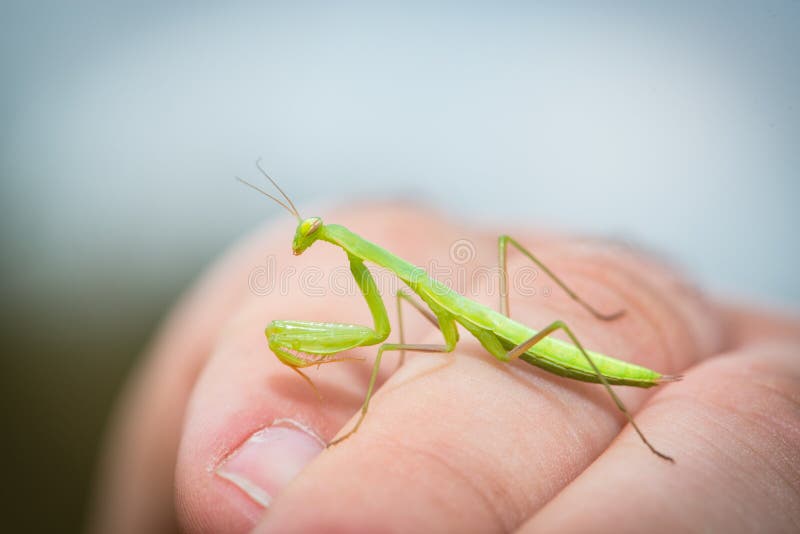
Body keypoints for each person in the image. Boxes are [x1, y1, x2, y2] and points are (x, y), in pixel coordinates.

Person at [90, 204, 800, 533]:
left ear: (331, 237)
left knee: (546, 322)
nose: (309, 241)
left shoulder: (405, 285)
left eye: (313, 234)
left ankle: (626, 398)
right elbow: (382, 332)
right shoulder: (391, 280)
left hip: (538, 343)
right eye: (308, 234)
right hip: (498, 335)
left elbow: (379, 338)